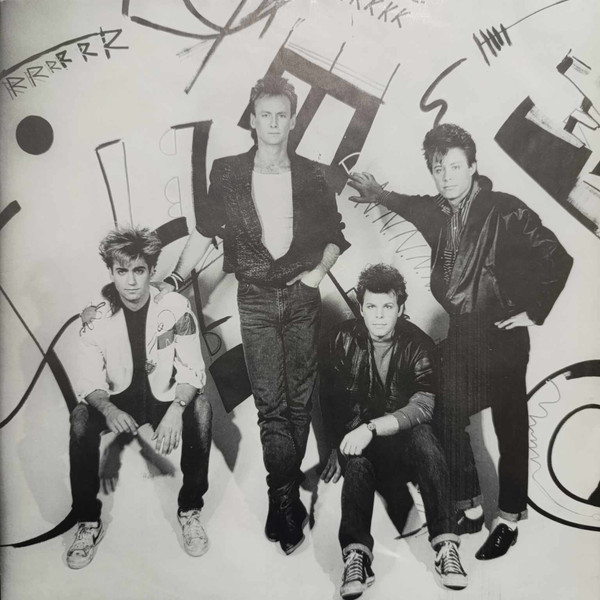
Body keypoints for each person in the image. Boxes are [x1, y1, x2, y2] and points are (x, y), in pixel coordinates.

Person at [347, 124, 573, 559]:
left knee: (510, 425)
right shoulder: (437, 211)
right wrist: (379, 194)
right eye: (439, 169)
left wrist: (533, 310)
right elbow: (410, 205)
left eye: (455, 167)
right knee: (443, 406)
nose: (447, 177)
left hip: (503, 336)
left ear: (472, 167)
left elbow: (557, 257)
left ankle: (508, 520)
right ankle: (469, 505)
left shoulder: (504, 209)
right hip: (463, 333)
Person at [157, 75, 350, 554]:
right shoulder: (227, 172)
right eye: (266, 115)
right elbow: (205, 231)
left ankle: (280, 499)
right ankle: (284, 497)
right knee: (270, 404)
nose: (274, 123)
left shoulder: (314, 175)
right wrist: (176, 278)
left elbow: (335, 234)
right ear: (253, 119)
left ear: (293, 119)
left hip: (302, 297)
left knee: (298, 402)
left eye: (282, 115)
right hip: (256, 297)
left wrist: (315, 276)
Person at [68, 227, 211, 569]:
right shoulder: (96, 317)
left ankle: (190, 510)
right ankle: (87, 521)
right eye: (122, 271)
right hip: (118, 399)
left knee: (202, 408)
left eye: (139, 270)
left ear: (151, 270)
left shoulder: (176, 307)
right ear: (111, 272)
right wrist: (107, 408)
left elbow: (193, 369)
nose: (131, 281)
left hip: (163, 398)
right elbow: (88, 380)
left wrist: (177, 409)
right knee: (80, 418)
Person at [320, 264, 468, 597]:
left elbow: (424, 405)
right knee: (356, 463)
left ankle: (446, 547)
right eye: (371, 306)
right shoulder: (341, 339)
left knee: (425, 438)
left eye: (387, 307)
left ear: (400, 309)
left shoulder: (418, 343)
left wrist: (371, 428)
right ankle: (357, 557)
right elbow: (329, 399)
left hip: (403, 444)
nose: (379, 316)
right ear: (361, 308)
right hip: (362, 442)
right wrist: (332, 447)